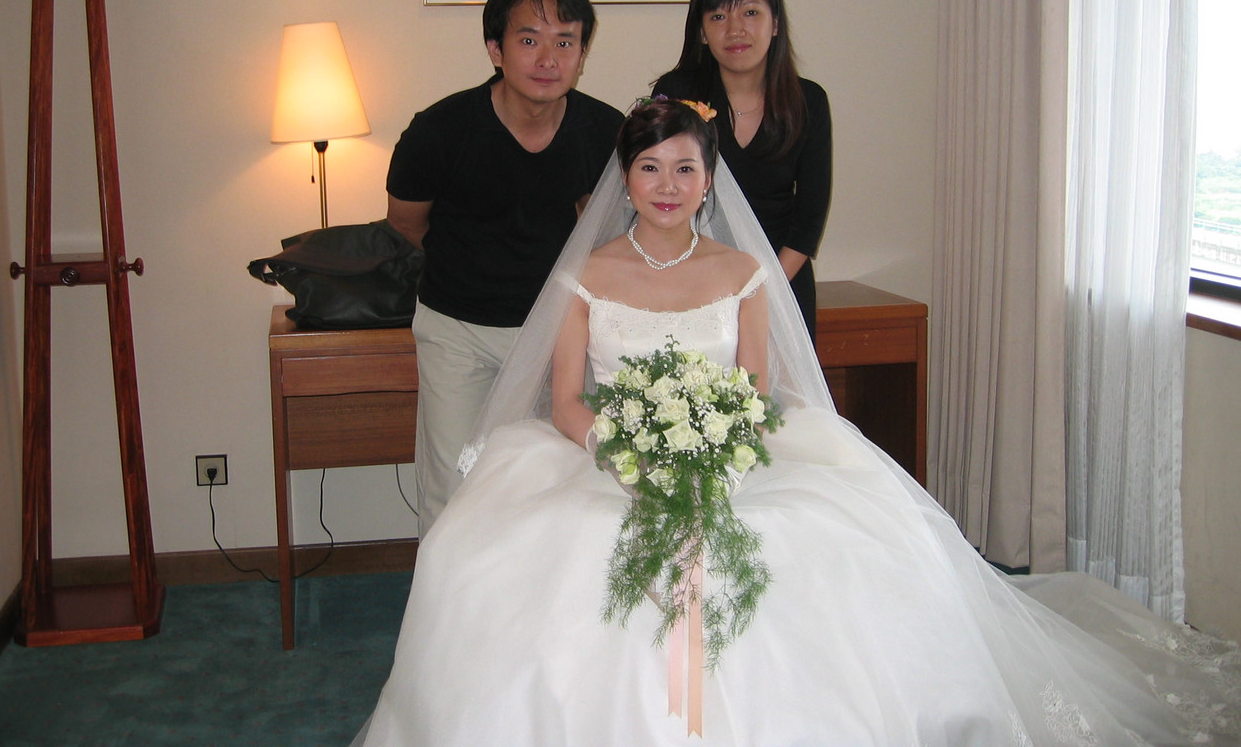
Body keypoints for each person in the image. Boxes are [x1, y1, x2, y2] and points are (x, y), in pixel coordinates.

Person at [353, 99, 1239, 746]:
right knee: (513, 551)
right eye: (649, 168)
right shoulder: (585, 274)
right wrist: (621, 453)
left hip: (730, 450)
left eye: (684, 168)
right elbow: (565, 400)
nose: (667, 186)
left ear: (709, 180)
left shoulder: (742, 272)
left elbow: (754, 388)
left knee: (829, 543)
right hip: (607, 456)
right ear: (624, 180)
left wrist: (716, 454)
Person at [386, 0, 622, 535]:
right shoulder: (439, 131)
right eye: (529, 40)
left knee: (556, 481)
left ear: (582, 54)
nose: (548, 59)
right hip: (458, 330)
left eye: (565, 42)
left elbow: (611, 236)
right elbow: (406, 222)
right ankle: (447, 592)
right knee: (454, 486)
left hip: (557, 333)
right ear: (496, 50)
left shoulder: (605, 132)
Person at [653, 0, 831, 340]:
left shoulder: (808, 102)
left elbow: (808, 222)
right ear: (702, 31)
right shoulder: (678, 93)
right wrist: (707, 288)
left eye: (750, 13)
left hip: (781, 283)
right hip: (691, 284)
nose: (735, 30)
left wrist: (759, 290)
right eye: (718, 16)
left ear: (775, 24)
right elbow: (658, 197)